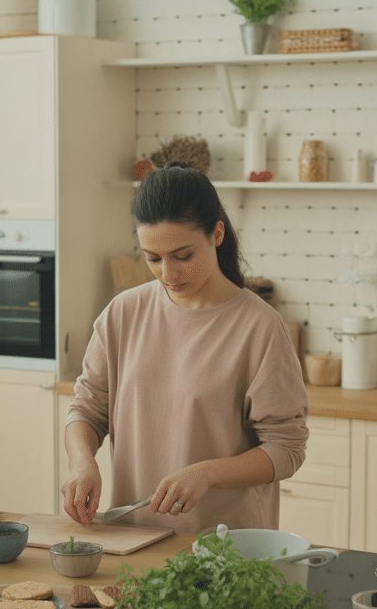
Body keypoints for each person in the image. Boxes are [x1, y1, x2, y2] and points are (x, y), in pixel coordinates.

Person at [60, 162, 308, 532]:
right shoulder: (123, 313)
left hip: (227, 554)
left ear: (217, 234)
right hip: (134, 539)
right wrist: (82, 461)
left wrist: (207, 473)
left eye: (183, 256)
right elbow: (88, 410)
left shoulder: (259, 327)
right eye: (153, 258)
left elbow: (286, 450)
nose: (168, 274)